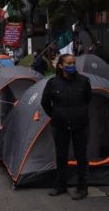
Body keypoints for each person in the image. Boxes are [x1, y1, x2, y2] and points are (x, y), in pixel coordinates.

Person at [41, 54, 92, 200]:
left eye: (73, 63)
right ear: (61, 66)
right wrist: (56, 115)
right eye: (69, 63)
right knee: (61, 156)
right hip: (60, 125)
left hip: (80, 125)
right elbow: (45, 103)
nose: (72, 66)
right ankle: (60, 186)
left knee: (81, 157)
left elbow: (88, 99)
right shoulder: (52, 83)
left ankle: (82, 188)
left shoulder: (83, 81)